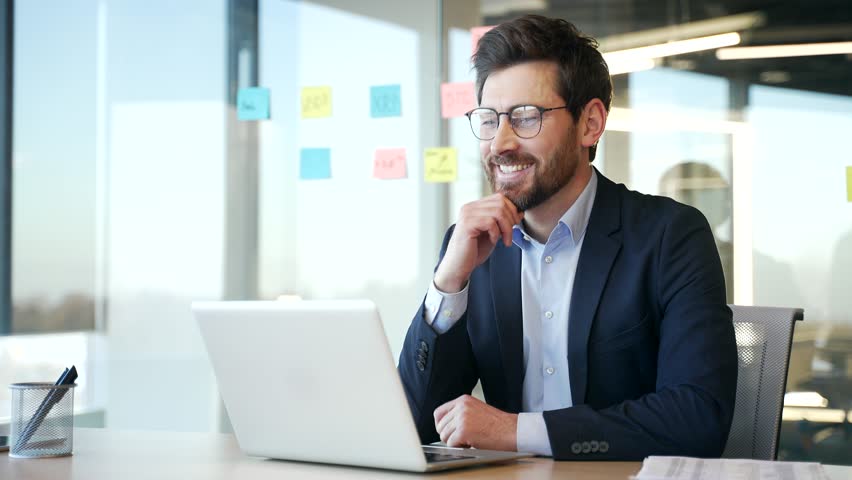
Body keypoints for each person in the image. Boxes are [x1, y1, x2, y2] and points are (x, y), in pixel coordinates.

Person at [398, 15, 738, 460]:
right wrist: (448, 284)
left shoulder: (669, 237)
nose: (500, 142)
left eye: (525, 117)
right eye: (488, 119)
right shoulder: (471, 247)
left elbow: (697, 419)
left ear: (590, 123)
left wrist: (517, 431)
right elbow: (412, 422)